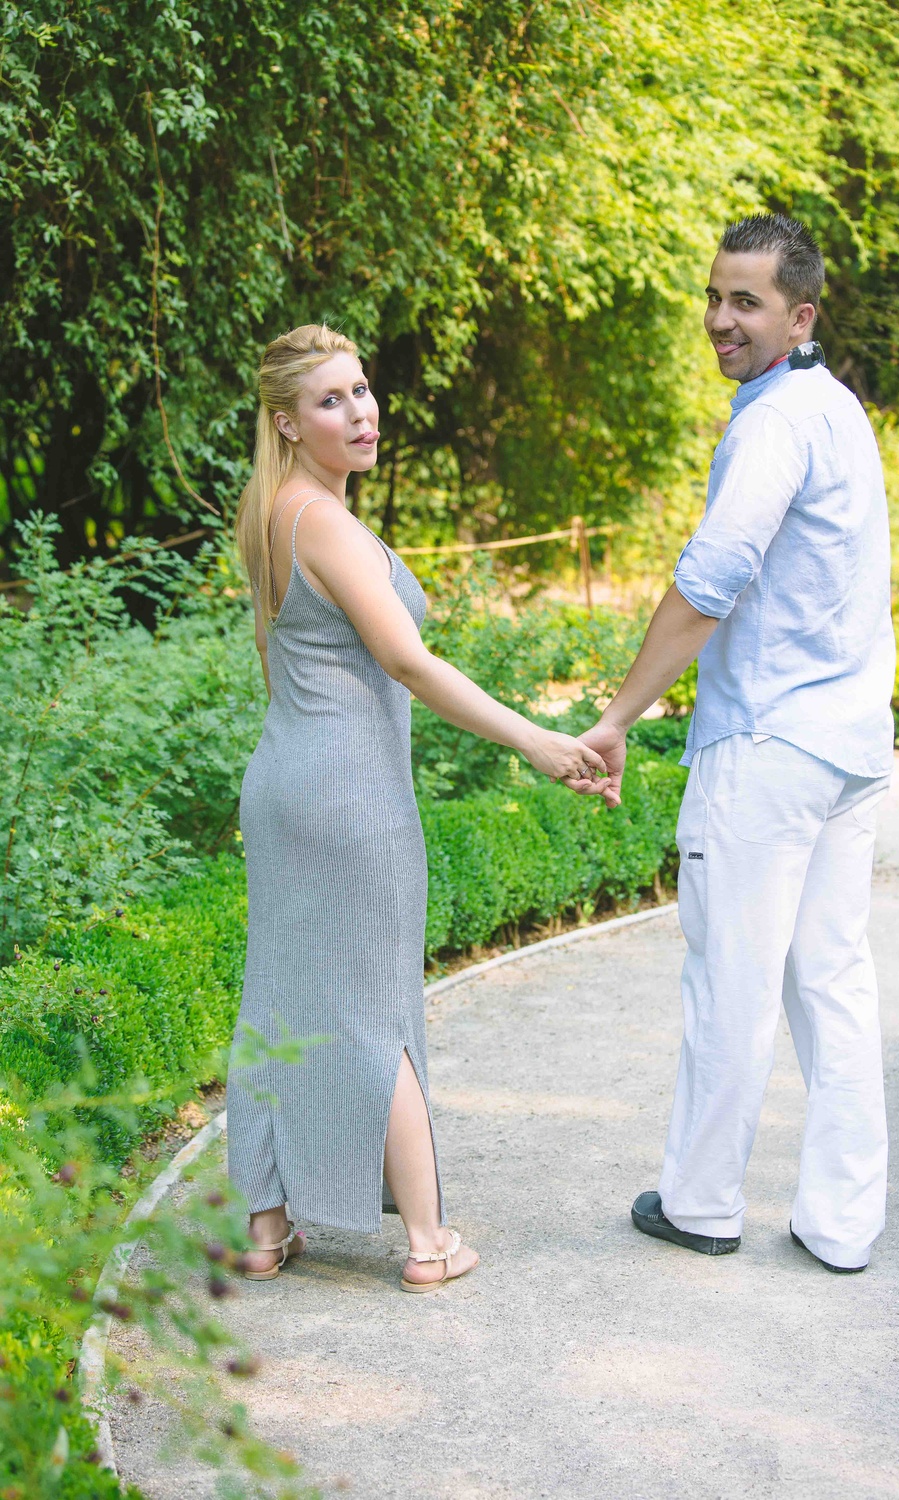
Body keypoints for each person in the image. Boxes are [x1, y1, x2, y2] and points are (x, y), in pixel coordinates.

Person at [230, 323, 610, 1291]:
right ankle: (429, 1243)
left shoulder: (273, 513)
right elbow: (406, 659)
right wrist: (535, 739)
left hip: (285, 784)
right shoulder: (323, 522)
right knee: (372, 1012)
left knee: (280, 995)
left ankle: (266, 1234)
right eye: (330, 400)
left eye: (360, 391)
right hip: (350, 798)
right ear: (286, 420)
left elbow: (282, 668)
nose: (359, 413)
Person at [574, 214, 896, 1273]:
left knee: (733, 982)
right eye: (713, 297)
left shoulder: (772, 424)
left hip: (765, 749)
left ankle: (703, 1202)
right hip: (845, 745)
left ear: (798, 317)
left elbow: (710, 581)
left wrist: (616, 718)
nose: (720, 319)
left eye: (745, 302)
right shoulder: (837, 410)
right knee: (832, 984)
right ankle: (841, 1224)